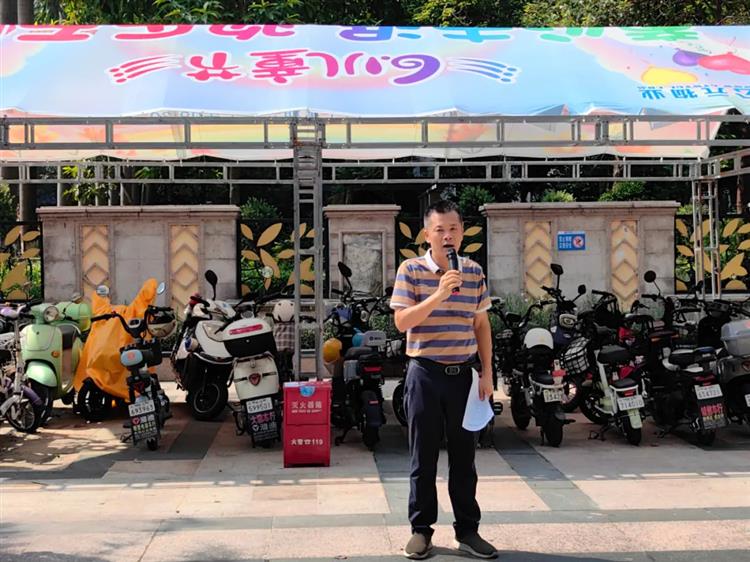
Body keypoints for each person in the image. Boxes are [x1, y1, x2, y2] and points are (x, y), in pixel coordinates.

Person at [390, 200, 497, 560]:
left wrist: (487, 372)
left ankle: (468, 531)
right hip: (425, 374)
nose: (447, 235)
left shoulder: (474, 272)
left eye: (453, 229)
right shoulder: (410, 270)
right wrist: (439, 293)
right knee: (423, 458)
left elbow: (481, 325)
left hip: (463, 376)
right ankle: (421, 530)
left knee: (465, 460)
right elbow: (402, 322)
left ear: (462, 233)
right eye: (440, 230)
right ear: (427, 234)